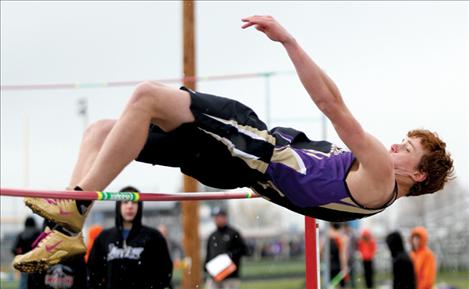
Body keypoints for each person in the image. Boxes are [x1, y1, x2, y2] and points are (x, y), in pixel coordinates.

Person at [12, 15, 453, 272]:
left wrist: (289, 42)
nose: (394, 146)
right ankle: (65, 231)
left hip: (249, 147)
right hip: (234, 157)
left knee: (146, 94)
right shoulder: (375, 188)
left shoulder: (378, 175)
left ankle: (71, 208)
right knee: (99, 132)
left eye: (406, 148)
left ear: (417, 174)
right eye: (400, 140)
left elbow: (330, 103)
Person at [86, 186, 173, 289]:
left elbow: (164, 273)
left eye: (134, 202)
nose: (130, 206)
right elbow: (92, 274)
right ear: (119, 205)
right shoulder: (104, 238)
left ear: (140, 205)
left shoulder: (153, 237)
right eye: (125, 202)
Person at [204, 207, 248, 289]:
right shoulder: (212, 235)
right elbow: (208, 254)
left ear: (225, 217)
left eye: (219, 216)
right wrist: (206, 268)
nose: (217, 219)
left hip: (230, 276)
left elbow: (244, 250)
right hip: (215, 275)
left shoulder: (233, 233)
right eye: (216, 217)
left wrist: (230, 255)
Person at [11, 216, 41, 289]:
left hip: (24, 262)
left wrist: (19, 255)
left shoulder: (21, 234)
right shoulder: (39, 233)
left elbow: (14, 249)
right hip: (36, 262)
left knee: (24, 282)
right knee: (37, 281)